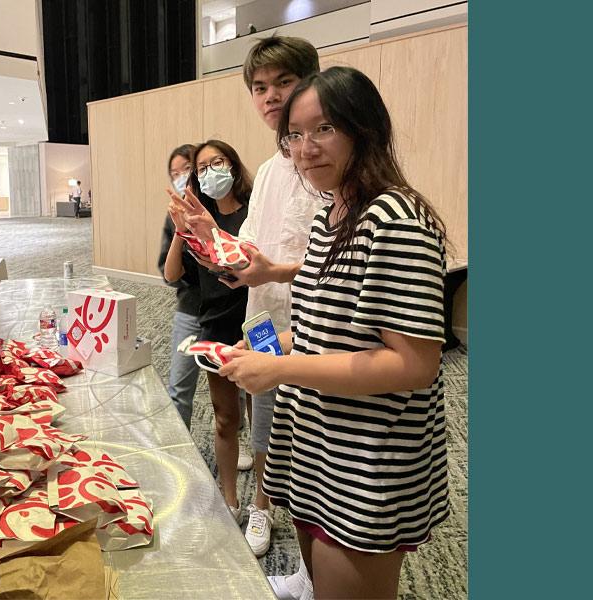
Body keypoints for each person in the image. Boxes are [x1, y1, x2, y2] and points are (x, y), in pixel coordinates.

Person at [219, 67, 450, 600]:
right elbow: (328, 324)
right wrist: (264, 351)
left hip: (368, 454)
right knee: (318, 574)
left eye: (323, 129)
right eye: (294, 135)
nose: (305, 148)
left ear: (363, 129)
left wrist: (279, 369)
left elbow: (415, 365)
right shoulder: (333, 212)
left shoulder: (396, 220)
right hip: (318, 436)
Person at [176, 35, 321, 560]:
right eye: (259, 87)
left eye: (284, 81)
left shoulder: (328, 164)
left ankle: (308, 541)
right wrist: (213, 244)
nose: (271, 97)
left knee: (314, 433)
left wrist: (271, 269)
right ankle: (261, 504)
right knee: (263, 426)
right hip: (262, 319)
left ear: (312, 81)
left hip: (314, 323)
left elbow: (344, 263)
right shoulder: (271, 170)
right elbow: (254, 247)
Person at [164, 140, 253, 522]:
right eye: (202, 167)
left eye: (218, 162)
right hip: (214, 324)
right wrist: (181, 231)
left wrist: (212, 231)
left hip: (254, 324)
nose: (210, 171)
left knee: (262, 414)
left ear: (233, 165)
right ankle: (230, 499)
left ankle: (263, 502)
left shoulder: (253, 213)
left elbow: (248, 264)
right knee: (224, 417)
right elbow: (171, 275)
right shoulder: (197, 219)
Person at [157, 144, 201, 429]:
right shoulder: (174, 216)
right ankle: (179, 451)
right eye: (175, 173)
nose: (181, 177)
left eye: (186, 169)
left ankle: (234, 442)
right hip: (191, 308)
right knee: (179, 389)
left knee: (232, 391)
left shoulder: (225, 206)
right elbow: (169, 273)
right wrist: (181, 230)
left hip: (229, 311)